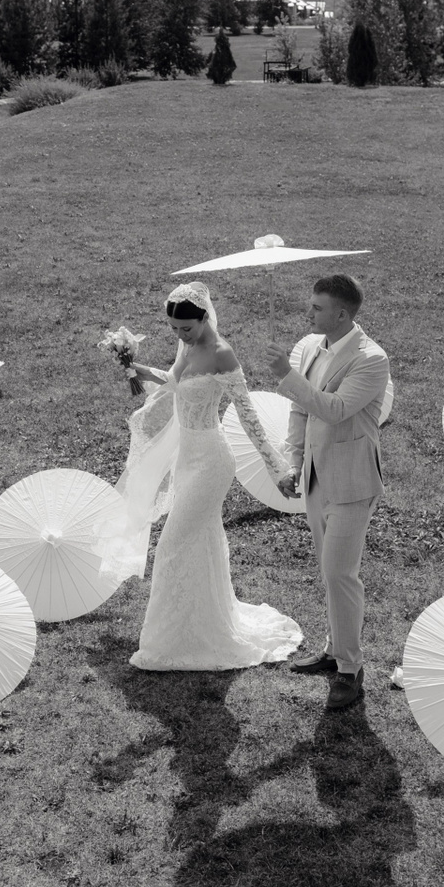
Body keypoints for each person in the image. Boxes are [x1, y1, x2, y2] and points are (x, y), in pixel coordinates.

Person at [116, 282, 302, 671]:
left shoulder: (221, 354)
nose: (180, 336)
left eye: (186, 328)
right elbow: (174, 382)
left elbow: (248, 416)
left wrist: (278, 468)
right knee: (201, 543)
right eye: (173, 329)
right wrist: (140, 370)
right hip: (187, 459)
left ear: (204, 318)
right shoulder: (187, 347)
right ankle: (198, 628)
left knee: (171, 546)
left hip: (212, 462)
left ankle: (166, 643)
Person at [261, 273, 392, 712]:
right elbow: (300, 410)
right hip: (317, 479)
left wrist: (285, 375)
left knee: (340, 574)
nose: (309, 312)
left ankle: (350, 671)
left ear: (342, 314)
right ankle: (335, 650)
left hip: (353, 483)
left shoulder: (371, 359)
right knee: (330, 572)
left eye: (317, 307)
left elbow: (334, 410)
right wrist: (294, 462)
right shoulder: (314, 348)